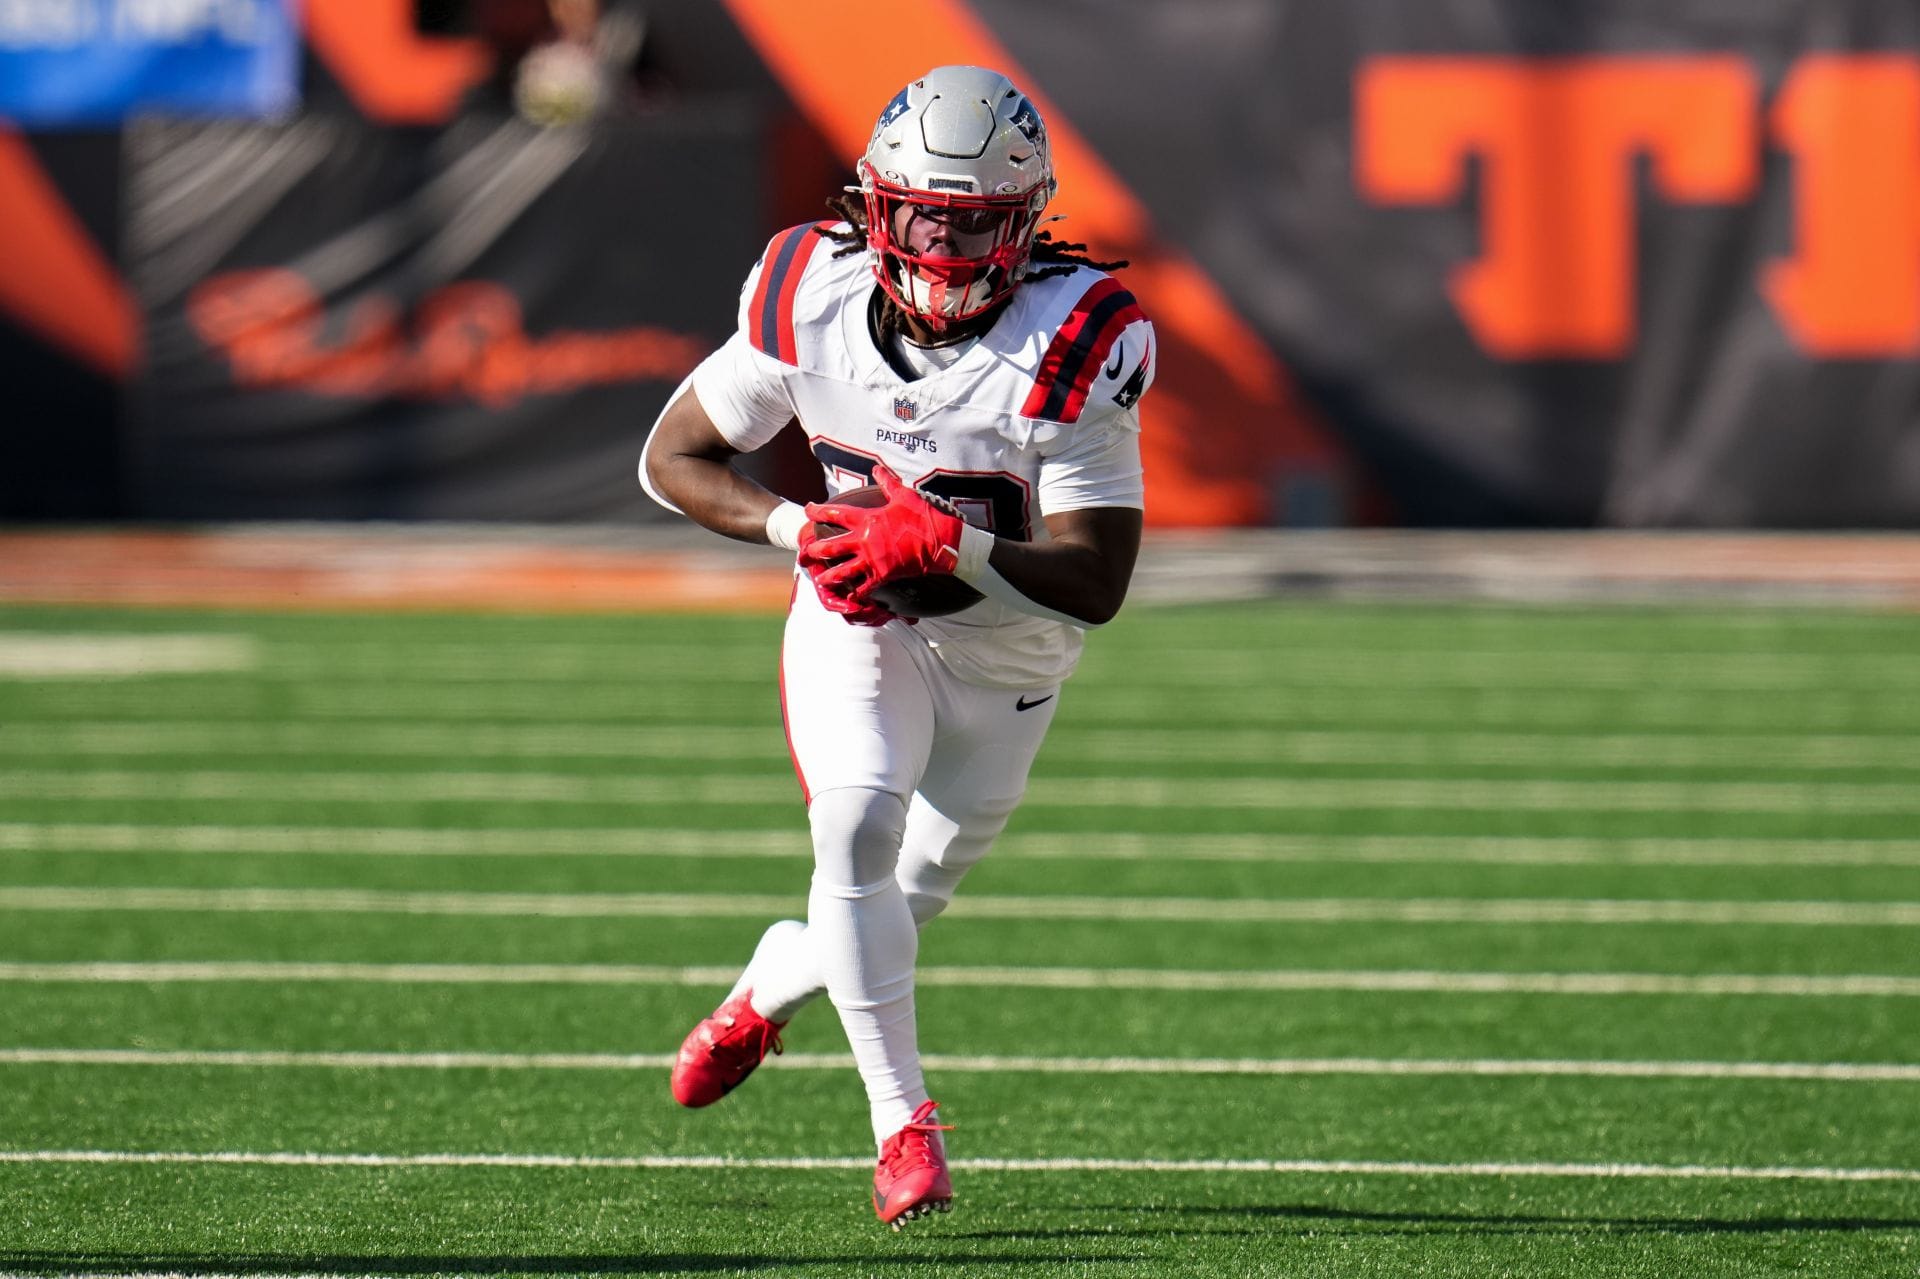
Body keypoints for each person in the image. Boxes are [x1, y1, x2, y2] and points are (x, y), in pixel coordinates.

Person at [638, 64, 1154, 1229]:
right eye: (922, 216)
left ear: (1027, 223)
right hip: (861, 616)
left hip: (1010, 655)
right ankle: (902, 1124)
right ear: (875, 206)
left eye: (976, 222)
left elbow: (1097, 583)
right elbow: (671, 459)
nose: (945, 247)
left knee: (905, 896)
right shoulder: (810, 295)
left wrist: (951, 543)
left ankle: (772, 981)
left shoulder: (1074, 338)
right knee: (854, 826)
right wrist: (801, 529)